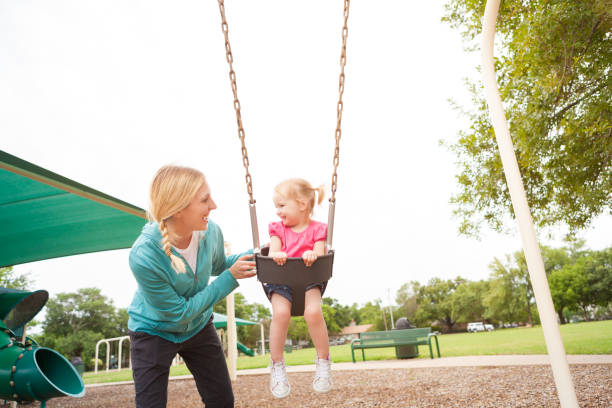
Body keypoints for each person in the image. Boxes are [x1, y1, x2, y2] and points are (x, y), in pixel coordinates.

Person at [127, 165, 256, 408]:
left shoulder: (210, 231)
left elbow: (219, 266)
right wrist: (230, 278)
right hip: (153, 331)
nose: (214, 206)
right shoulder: (144, 254)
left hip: (198, 327)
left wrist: (258, 255)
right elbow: (178, 313)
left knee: (222, 401)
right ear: (177, 209)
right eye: (205, 200)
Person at [264, 178, 332, 398]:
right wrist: (278, 255)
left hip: (309, 281)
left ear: (302, 204)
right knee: (281, 314)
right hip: (280, 282)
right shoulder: (278, 230)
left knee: (313, 312)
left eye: (282, 206)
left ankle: (323, 363)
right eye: (276, 206)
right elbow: (273, 251)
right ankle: (277, 366)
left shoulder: (318, 229)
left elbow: (320, 253)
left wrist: (314, 253)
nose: (278, 212)